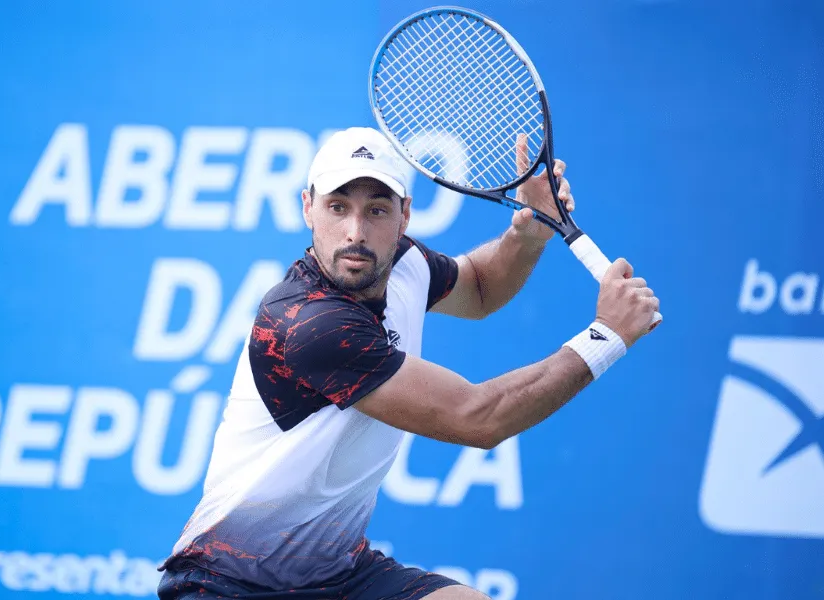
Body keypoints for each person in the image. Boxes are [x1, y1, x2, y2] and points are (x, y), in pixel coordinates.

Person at [156, 127, 659, 599]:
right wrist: (606, 336)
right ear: (308, 208)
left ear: (405, 216)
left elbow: (480, 287)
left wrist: (527, 235)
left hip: (340, 574)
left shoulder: (404, 263)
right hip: (229, 582)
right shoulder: (308, 323)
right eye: (337, 207)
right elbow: (477, 417)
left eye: (376, 210)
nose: (355, 231)